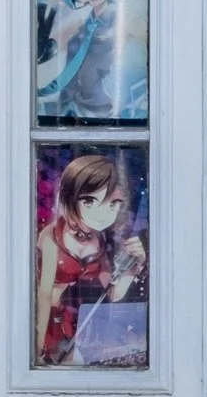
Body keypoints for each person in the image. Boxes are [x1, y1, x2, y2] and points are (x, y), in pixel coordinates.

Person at [34, 150, 147, 366]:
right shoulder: (52, 236)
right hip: (50, 323)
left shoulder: (100, 239)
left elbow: (111, 293)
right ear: (70, 197)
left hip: (83, 326)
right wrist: (36, 344)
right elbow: (44, 293)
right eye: (89, 200)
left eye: (114, 204)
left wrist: (133, 267)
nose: (104, 213)